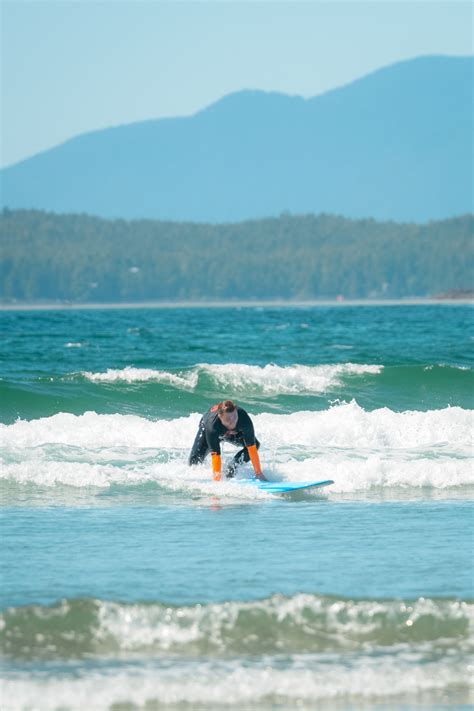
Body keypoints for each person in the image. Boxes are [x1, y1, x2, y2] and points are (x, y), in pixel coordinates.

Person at [188, 400, 266, 481]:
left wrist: (259, 473)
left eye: (235, 417)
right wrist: (217, 481)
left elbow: (251, 448)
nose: (233, 421)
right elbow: (215, 455)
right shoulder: (212, 427)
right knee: (194, 462)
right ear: (219, 416)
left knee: (255, 444)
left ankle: (231, 469)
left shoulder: (243, 418)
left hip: (232, 433)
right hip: (208, 429)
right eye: (228, 418)